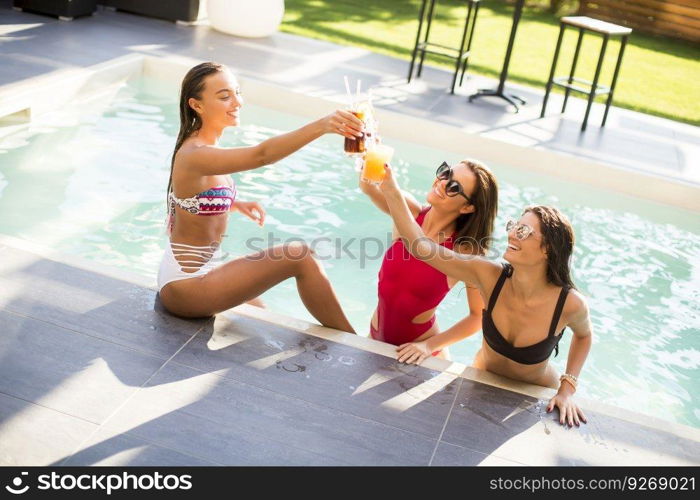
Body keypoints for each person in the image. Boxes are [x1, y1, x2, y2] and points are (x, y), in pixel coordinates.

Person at [378, 163, 593, 427]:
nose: (512, 233)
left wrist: (567, 388)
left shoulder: (569, 303)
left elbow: (584, 335)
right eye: (514, 226)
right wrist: (390, 189)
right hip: (480, 378)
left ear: (547, 249)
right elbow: (421, 247)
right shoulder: (488, 275)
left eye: (523, 231)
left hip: (537, 391)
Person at [157, 61, 362, 333]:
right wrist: (323, 126)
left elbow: (189, 201)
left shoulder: (203, 145)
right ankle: (355, 344)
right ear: (197, 105)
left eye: (237, 92)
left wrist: (231, 203)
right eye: (224, 96)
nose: (237, 102)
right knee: (301, 256)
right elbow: (261, 155)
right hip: (186, 286)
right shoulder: (195, 154)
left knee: (261, 313)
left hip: (192, 274)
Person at [359, 159, 498, 363]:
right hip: (374, 337)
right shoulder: (411, 213)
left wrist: (428, 346)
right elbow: (368, 186)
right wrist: (370, 154)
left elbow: (478, 317)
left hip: (421, 355)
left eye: (454, 187)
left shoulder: (465, 251)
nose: (442, 182)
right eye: (446, 173)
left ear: (468, 207)